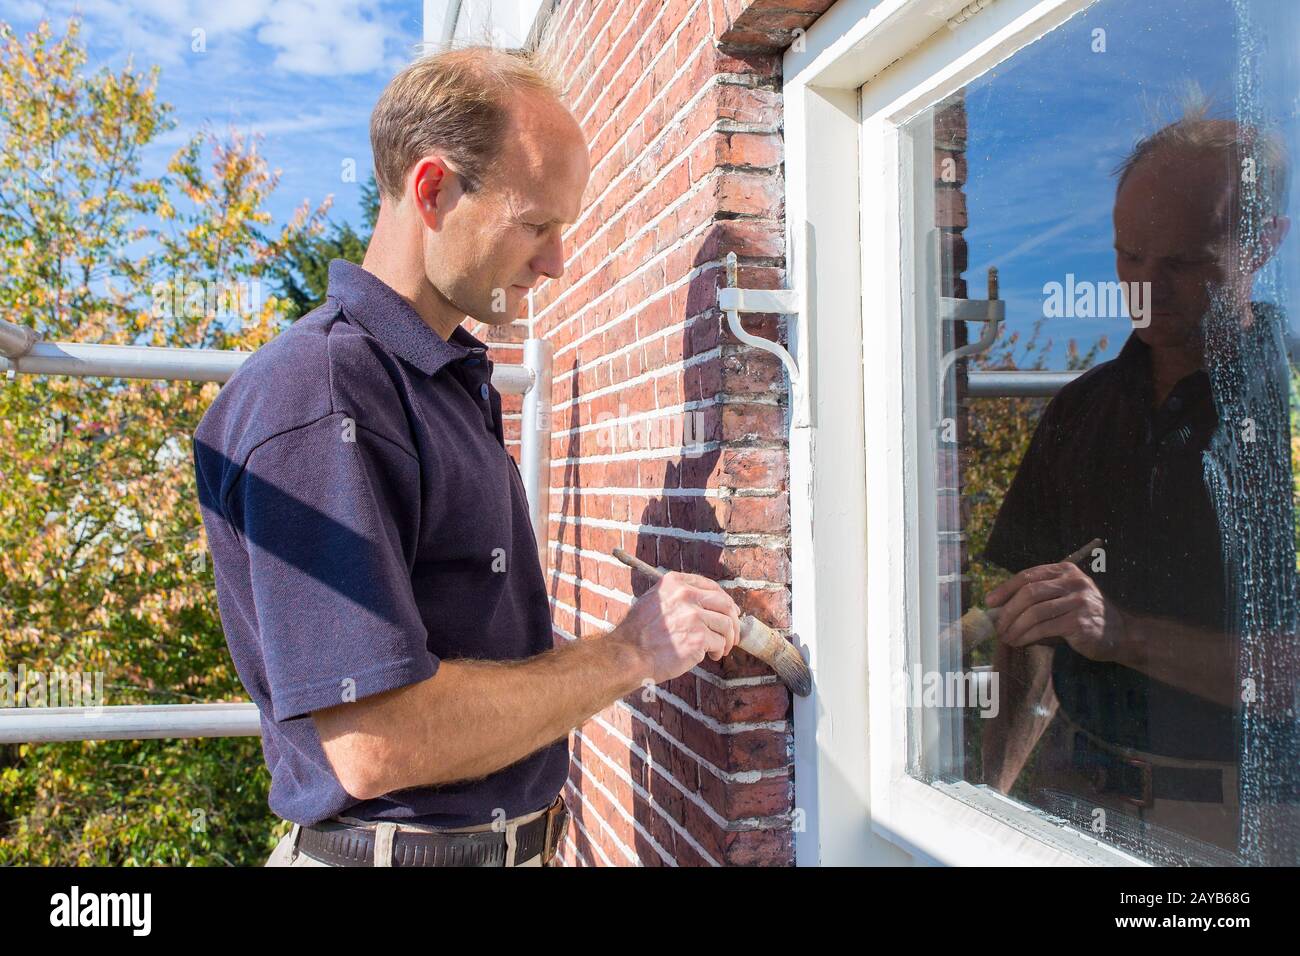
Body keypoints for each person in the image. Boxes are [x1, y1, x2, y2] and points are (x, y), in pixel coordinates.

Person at [193, 46, 742, 868]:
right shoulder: (323, 395)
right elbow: (377, 740)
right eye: (537, 224)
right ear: (433, 189)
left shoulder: (444, 377)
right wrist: (629, 653)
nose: (557, 261)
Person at [980, 106, 1292, 858]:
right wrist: (985, 805)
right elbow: (1030, 638)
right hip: (1071, 798)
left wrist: (1125, 635)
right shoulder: (1079, 411)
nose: (1146, 289)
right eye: (1128, 258)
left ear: (1264, 244)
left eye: (1183, 263)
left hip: (1248, 822)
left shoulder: (1286, 408)